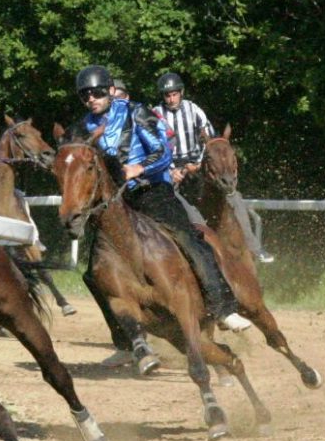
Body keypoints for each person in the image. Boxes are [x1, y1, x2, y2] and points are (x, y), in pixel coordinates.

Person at [70, 65, 252, 370]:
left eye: (98, 92)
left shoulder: (135, 112)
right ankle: (127, 343)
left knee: (189, 238)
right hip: (115, 204)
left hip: (151, 191)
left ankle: (223, 308)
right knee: (93, 274)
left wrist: (137, 169)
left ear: (110, 91)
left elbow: (163, 153)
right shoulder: (81, 127)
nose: (92, 99)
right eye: (85, 95)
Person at [153, 72, 273, 263]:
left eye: (174, 94)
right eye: (167, 95)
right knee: (163, 202)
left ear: (181, 92)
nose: (171, 98)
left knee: (233, 196)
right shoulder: (156, 114)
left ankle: (254, 247)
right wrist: (171, 170)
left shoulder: (193, 110)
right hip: (171, 169)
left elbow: (210, 142)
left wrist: (199, 164)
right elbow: (155, 147)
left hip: (197, 164)